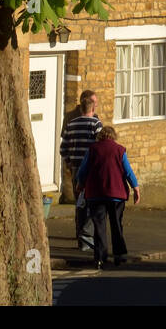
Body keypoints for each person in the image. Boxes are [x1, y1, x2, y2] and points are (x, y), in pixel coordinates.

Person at [75, 126, 141, 268]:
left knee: (99, 226)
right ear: (113, 136)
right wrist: (135, 188)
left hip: (96, 194)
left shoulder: (92, 149)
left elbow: (83, 170)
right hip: (116, 195)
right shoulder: (120, 150)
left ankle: (100, 257)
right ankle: (119, 255)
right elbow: (128, 171)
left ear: (100, 136)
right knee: (116, 224)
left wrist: (80, 184)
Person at [59, 90, 102, 251]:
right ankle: (85, 236)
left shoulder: (72, 123)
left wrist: (70, 162)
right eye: (94, 102)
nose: (96, 105)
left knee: (81, 202)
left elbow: (63, 148)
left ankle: (81, 237)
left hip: (77, 168)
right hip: (90, 170)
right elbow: (101, 148)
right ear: (88, 104)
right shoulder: (95, 123)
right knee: (93, 203)